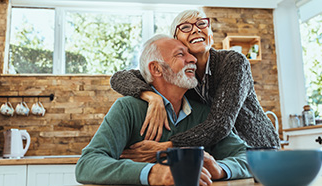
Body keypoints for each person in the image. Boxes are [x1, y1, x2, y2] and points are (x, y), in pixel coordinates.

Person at [75, 34, 252, 186]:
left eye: (190, 54)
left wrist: (220, 169)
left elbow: (248, 158)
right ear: (156, 69)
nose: (193, 59)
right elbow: (87, 164)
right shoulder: (127, 108)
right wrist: (154, 173)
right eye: (181, 54)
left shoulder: (204, 114)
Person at [110, 9, 280, 152]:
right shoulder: (179, 75)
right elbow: (119, 78)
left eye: (201, 24)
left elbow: (220, 124)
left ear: (211, 36)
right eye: (185, 27)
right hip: (223, 153)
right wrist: (151, 97)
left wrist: (168, 146)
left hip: (258, 149)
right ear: (176, 41)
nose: (196, 29)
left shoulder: (233, 62)